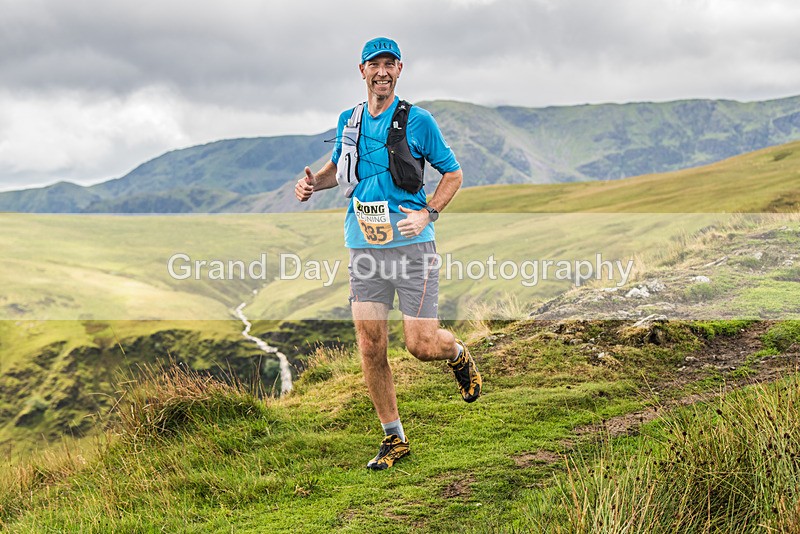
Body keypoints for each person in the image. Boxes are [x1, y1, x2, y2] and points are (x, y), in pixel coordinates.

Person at [294, 37, 482, 470]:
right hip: (363, 247)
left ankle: (456, 354)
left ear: (400, 70)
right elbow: (336, 171)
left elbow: (453, 173)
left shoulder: (419, 121)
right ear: (361, 71)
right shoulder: (349, 119)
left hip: (412, 248)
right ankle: (393, 438)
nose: (382, 71)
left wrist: (429, 213)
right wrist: (309, 185)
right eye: (374, 64)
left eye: (390, 64)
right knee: (369, 345)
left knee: (420, 344)